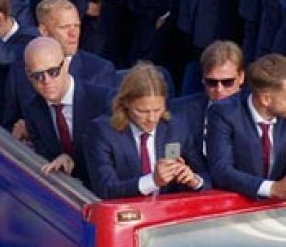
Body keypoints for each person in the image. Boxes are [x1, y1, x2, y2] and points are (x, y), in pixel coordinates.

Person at [205, 53, 286, 201]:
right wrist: (272, 188)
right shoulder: (223, 113)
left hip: (280, 207)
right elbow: (221, 171)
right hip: (236, 204)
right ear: (265, 99)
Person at [84, 62, 206, 198]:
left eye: (157, 110)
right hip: (126, 209)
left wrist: (194, 180)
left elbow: (205, 176)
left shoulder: (176, 128)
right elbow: (106, 189)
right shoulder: (102, 132)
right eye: (142, 111)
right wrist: (152, 181)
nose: (152, 118)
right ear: (126, 103)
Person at [17, 35, 111, 188]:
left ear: (66, 65)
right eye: (38, 76)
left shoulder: (101, 100)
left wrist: (72, 160)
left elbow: (114, 156)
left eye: (53, 72)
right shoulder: (32, 109)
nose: (46, 81)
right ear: (28, 75)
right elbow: (44, 156)